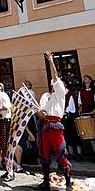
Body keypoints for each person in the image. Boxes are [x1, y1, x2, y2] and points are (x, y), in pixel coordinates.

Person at [35, 50, 72, 191]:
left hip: (56, 125)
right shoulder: (45, 96)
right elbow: (39, 110)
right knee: (44, 154)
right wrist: (40, 113)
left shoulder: (61, 92)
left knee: (61, 153)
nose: (54, 81)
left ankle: (68, 183)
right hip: (44, 126)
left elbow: (55, 75)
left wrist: (51, 60)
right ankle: (46, 183)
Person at [63, 82, 82, 161]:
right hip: (64, 117)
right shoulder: (59, 95)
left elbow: (72, 107)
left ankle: (79, 153)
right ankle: (70, 153)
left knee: (75, 136)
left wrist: (65, 110)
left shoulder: (70, 94)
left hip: (71, 117)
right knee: (67, 135)